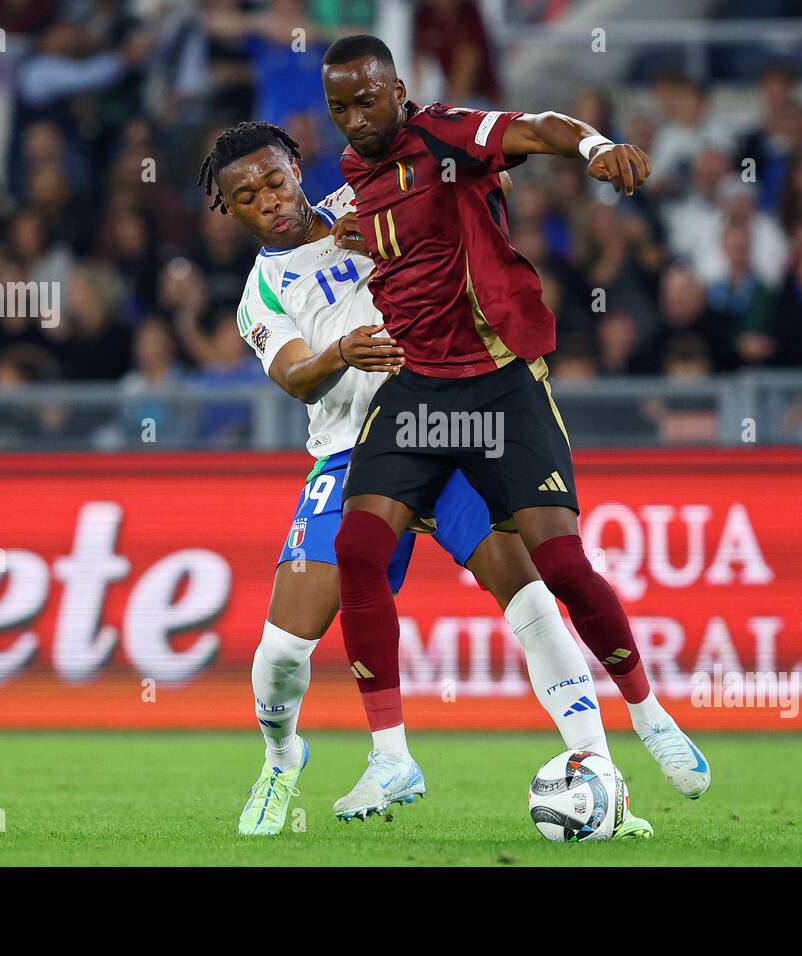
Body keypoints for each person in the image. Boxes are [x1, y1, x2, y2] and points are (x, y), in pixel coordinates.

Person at [197, 121, 653, 837]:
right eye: (247, 198)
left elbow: (463, 194)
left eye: (276, 182)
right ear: (228, 210)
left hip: (444, 425)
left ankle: (601, 776)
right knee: (283, 651)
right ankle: (282, 759)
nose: (270, 202)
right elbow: (294, 379)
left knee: (529, 594)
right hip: (350, 454)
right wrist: (342, 352)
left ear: (295, 165)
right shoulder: (261, 293)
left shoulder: (368, 197)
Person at [319, 34, 711, 820]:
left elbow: (538, 126)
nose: (355, 119)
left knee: (562, 565)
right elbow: (353, 230)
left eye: (367, 99)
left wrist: (597, 146)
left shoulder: (446, 137)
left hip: (501, 384)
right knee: (358, 548)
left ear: (397, 88)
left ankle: (648, 713)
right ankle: (390, 757)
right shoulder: (355, 177)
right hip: (419, 389)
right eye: (339, 108)